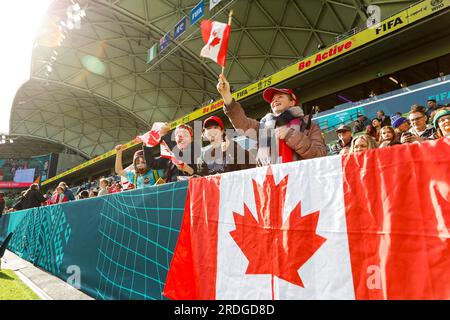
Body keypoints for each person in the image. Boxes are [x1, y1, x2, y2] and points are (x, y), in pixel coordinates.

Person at [216, 74, 326, 165]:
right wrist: (227, 96)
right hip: (269, 185)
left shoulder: (308, 124)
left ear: (292, 102)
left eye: (280, 97)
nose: (275, 101)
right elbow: (242, 123)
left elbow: (320, 154)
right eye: (272, 99)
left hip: (299, 183)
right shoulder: (262, 127)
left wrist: (290, 135)